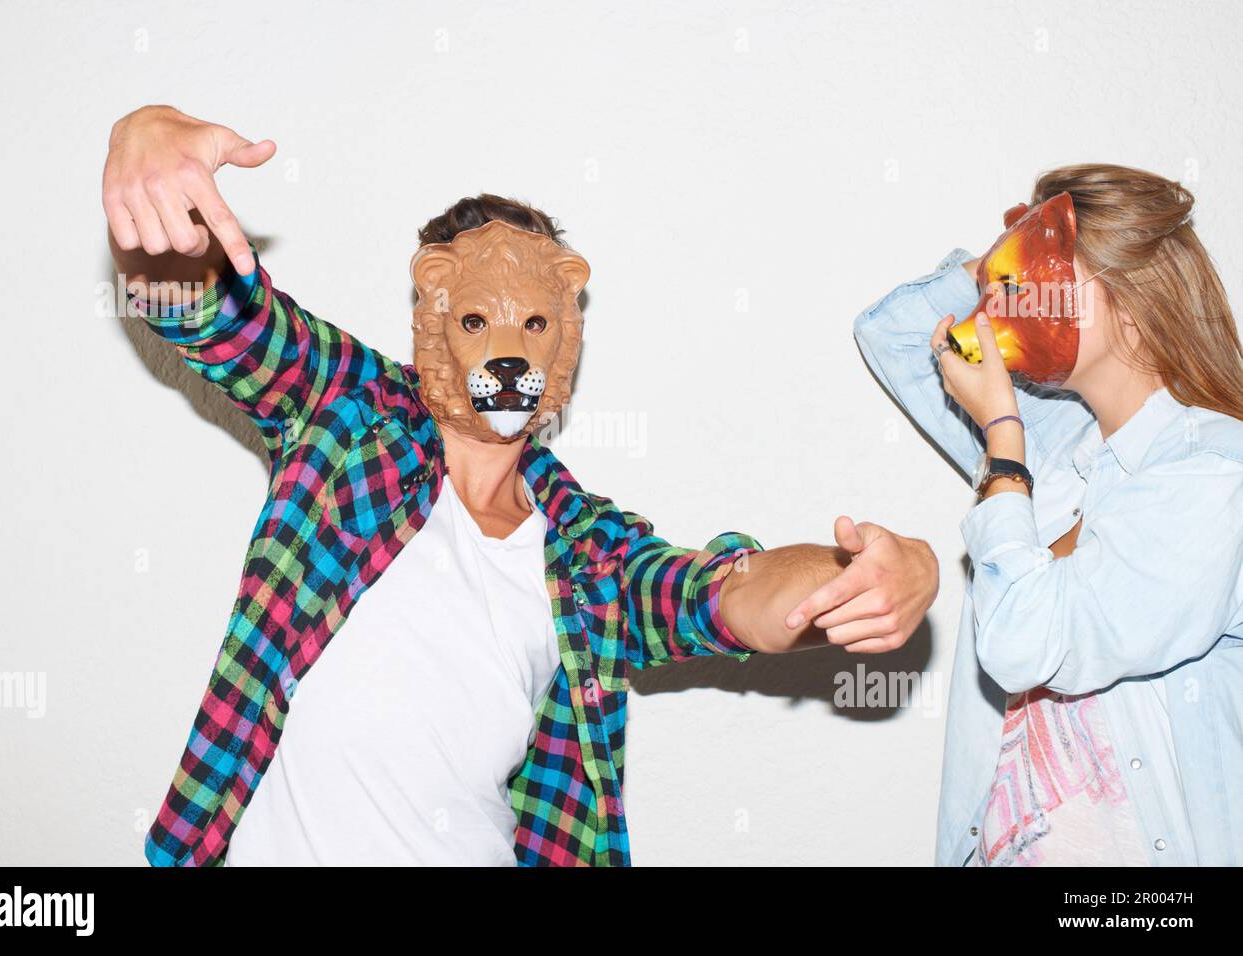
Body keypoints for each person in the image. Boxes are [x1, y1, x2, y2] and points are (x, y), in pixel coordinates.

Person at [103, 104, 941, 866]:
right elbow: (211, 315)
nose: (507, 347)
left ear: (565, 337)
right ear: (430, 313)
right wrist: (145, 155)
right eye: (475, 320)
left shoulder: (588, 550)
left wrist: (871, 574)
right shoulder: (344, 414)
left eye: (533, 322)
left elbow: (727, 596)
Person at [854, 163, 1243, 866]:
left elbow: (1027, 646)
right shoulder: (1072, 449)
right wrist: (1017, 248)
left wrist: (1004, 440)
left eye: (1040, 277)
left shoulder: (1214, 473)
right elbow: (896, 333)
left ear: (1132, 297)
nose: (1013, 301)